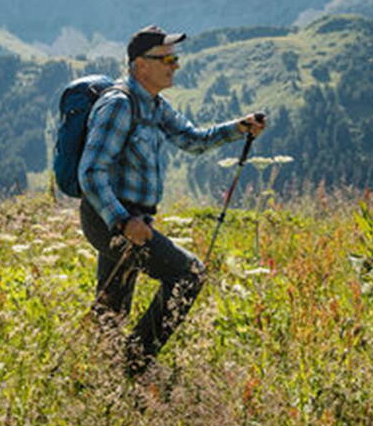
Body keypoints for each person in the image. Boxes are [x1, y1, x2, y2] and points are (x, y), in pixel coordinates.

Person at [78, 25, 266, 378]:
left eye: (174, 58)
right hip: (110, 219)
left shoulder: (155, 106)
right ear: (139, 65)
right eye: (164, 59)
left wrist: (239, 127)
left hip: (133, 219)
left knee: (112, 310)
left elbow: (193, 140)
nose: (174, 65)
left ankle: (100, 384)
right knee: (188, 273)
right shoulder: (119, 105)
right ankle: (135, 366)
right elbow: (90, 172)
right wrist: (121, 221)